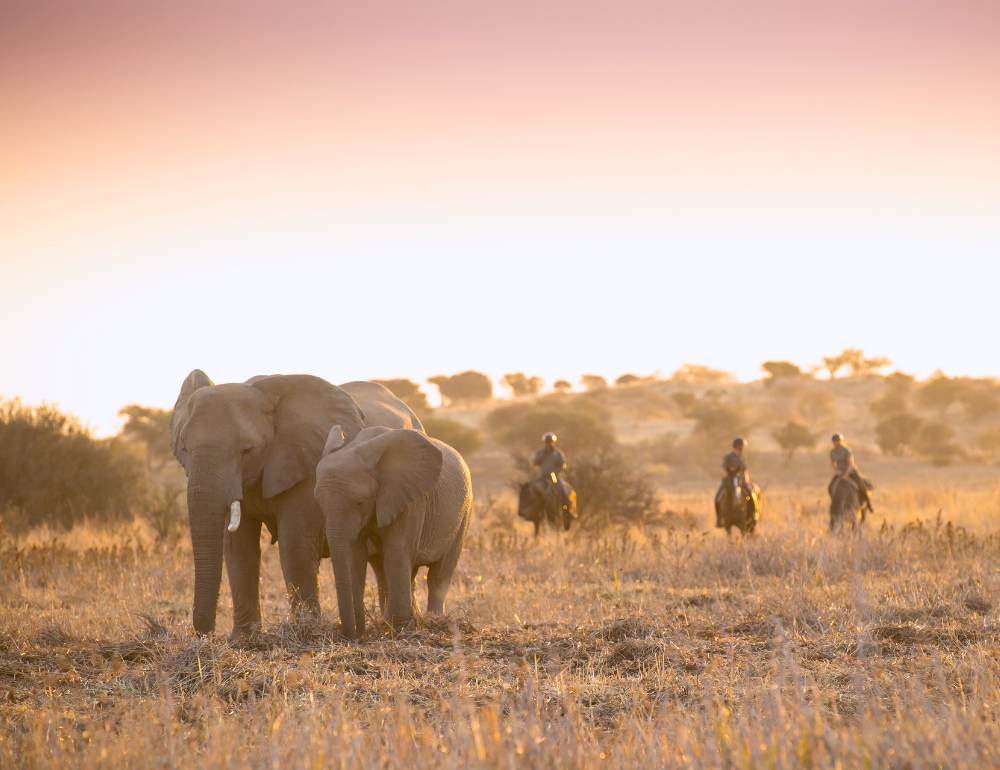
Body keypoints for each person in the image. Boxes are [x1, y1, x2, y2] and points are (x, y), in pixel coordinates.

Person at [829, 433, 874, 514]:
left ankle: (869, 504)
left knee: (862, 486)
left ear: (840, 441)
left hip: (850, 471)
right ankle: (836, 504)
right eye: (834, 442)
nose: (835, 443)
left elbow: (850, 463)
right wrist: (837, 471)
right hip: (840, 473)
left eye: (836, 441)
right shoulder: (833, 452)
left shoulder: (846, 450)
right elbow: (832, 463)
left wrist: (846, 473)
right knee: (830, 487)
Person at [717, 437, 751, 526]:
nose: (743, 448)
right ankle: (719, 519)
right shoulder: (728, 457)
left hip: (740, 481)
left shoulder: (742, 458)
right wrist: (728, 476)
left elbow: (744, 471)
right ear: (737, 446)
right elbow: (723, 469)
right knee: (718, 498)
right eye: (742, 446)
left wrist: (746, 480)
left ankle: (751, 515)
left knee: (749, 496)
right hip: (729, 481)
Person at [533, 432, 570, 504]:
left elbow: (563, 465)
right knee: (532, 490)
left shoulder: (558, 453)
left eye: (550, 442)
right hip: (542, 476)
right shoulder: (540, 452)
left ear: (553, 442)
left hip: (554, 477)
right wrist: (543, 455)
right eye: (546, 442)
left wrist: (555, 472)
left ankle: (568, 511)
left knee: (563, 491)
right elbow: (535, 463)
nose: (548, 444)